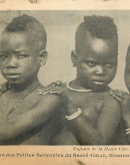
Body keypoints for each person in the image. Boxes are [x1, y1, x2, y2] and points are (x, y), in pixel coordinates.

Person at [40, 15, 121, 145]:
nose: (101, 71)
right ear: (74, 58)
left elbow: (98, 144)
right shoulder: (62, 90)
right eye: (91, 63)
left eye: (109, 64)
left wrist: (68, 105)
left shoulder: (110, 101)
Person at [0, 14, 62, 145]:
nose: (10, 63)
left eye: (21, 55)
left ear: (42, 58)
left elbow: (5, 131)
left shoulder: (49, 98)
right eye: (3, 56)